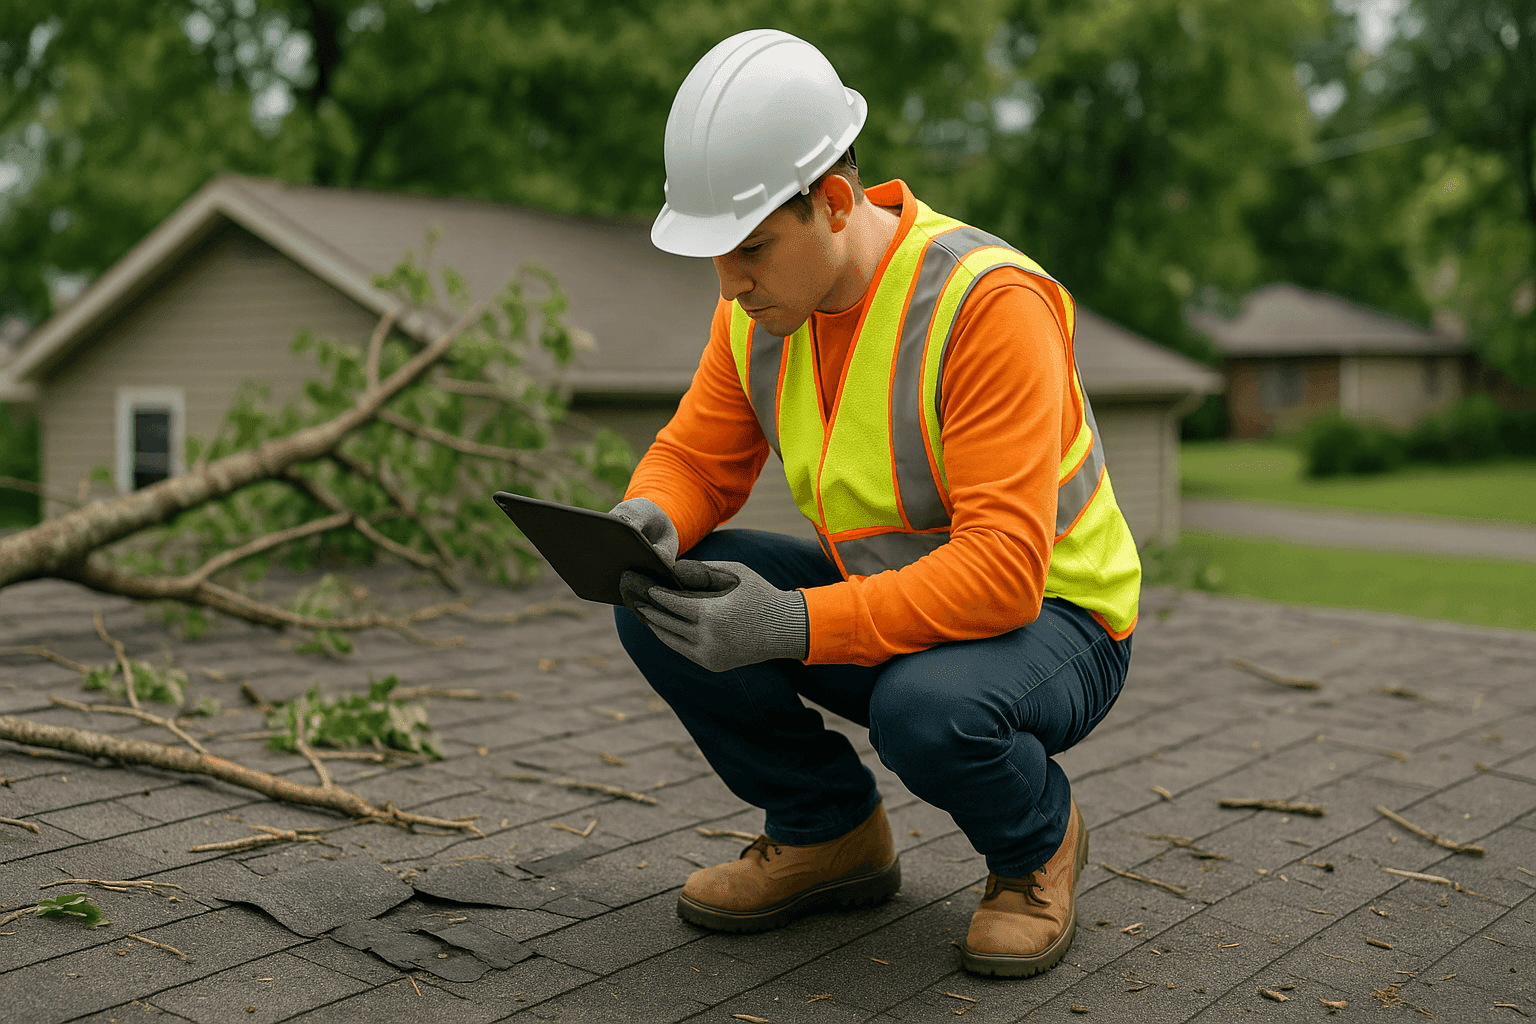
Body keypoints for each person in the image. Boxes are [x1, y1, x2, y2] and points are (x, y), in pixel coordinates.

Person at [608, 28, 1140, 978]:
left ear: (837, 204)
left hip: (1059, 620)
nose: (729, 282)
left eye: (753, 249)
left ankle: (1036, 850)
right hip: (894, 600)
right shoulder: (759, 310)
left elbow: (1002, 577)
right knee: (662, 596)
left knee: (925, 711)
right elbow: (695, 456)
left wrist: (787, 623)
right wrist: (652, 516)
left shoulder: (986, 304)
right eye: (718, 256)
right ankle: (828, 832)